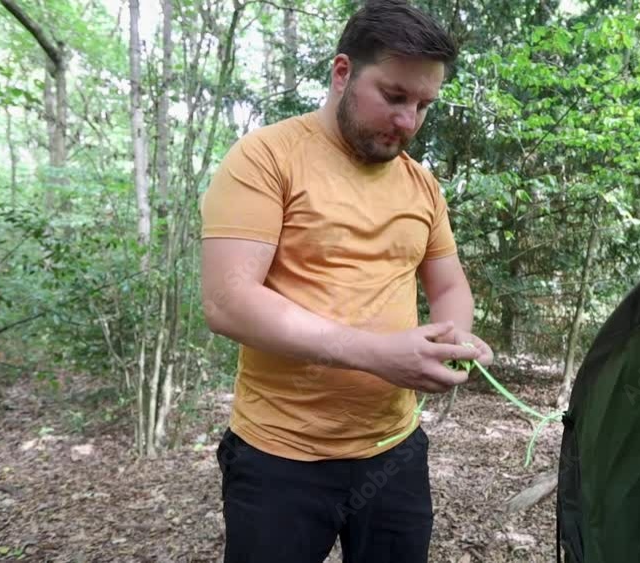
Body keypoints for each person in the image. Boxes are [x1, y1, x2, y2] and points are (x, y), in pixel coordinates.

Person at [198, 1, 494, 561]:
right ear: (342, 73)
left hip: (395, 453)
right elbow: (227, 300)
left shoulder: (422, 187)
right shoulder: (267, 158)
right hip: (279, 459)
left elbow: (449, 286)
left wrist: (449, 340)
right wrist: (377, 354)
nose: (409, 122)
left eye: (424, 105)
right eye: (394, 96)